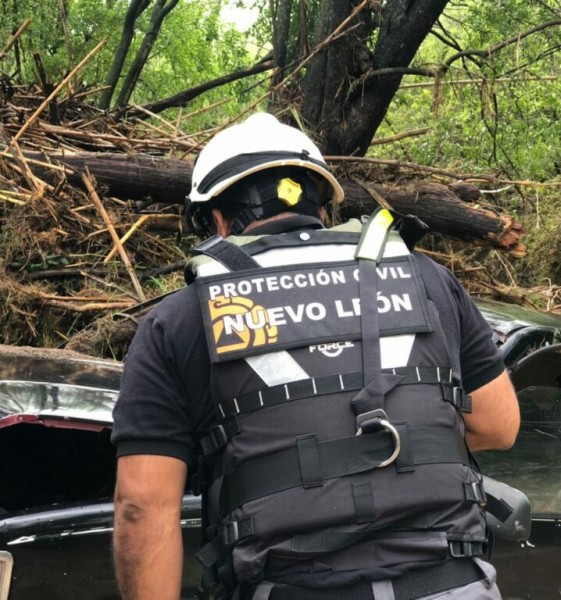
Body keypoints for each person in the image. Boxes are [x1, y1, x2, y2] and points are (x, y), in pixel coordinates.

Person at [111, 112, 520, 600]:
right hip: (453, 586)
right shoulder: (427, 279)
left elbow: (142, 505)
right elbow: (499, 425)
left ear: (215, 220)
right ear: (321, 204)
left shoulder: (178, 319)